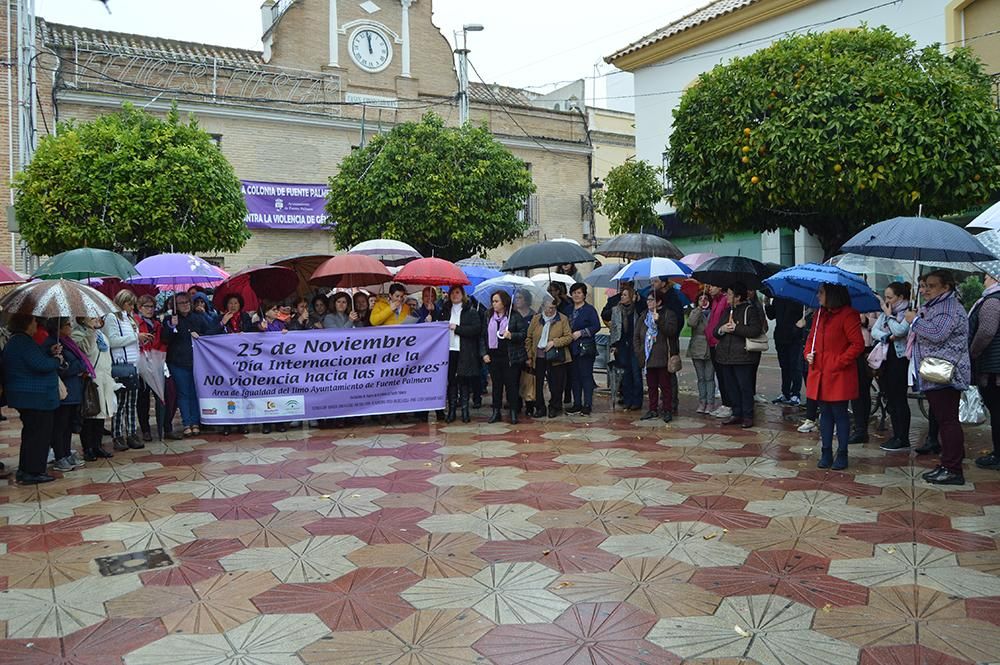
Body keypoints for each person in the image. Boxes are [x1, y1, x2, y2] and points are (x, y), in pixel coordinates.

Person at [907, 269, 970, 485]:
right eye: (924, 286)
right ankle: (948, 463)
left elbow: (937, 333)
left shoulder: (949, 307)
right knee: (944, 420)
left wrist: (915, 321)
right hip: (936, 373)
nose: (925, 290)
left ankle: (953, 469)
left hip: (946, 373)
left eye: (931, 286)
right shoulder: (938, 305)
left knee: (948, 421)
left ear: (946, 287)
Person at [804, 284, 865, 470]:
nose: (818, 296)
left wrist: (839, 361)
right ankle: (826, 451)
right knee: (824, 413)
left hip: (839, 373)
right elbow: (810, 340)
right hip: (820, 372)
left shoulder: (848, 314)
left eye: (821, 292)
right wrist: (808, 354)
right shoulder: (819, 314)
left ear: (832, 294)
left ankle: (842, 452)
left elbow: (857, 344)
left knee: (839, 413)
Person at [3, 315, 62, 484]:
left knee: (31, 434)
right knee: (38, 436)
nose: (37, 324)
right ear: (27, 323)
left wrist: (49, 352)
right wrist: (56, 360)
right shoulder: (22, 341)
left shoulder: (19, 341)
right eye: (34, 321)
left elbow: (34, 359)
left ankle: (26, 470)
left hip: (30, 397)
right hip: (34, 397)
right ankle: (33, 472)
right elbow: (41, 365)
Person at [160, 292, 214, 437]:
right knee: (183, 393)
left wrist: (200, 336)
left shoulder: (197, 317)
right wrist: (172, 326)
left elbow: (211, 331)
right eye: (182, 303)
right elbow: (165, 339)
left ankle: (196, 422)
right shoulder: (169, 319)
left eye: (187, 302)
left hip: (196, 361)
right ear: (175, 306)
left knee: (195, 392)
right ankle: (187, 423)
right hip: (177, 361)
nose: (185, 305)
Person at [714, 282, 763, 428]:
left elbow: (755, 330)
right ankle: (736, 412)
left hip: (744, 356)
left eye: (729, 294)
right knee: (731, 387)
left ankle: (747, 415)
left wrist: (736, 328)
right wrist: (722, 329)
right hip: (726, 356)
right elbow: (715, 331)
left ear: (738, 296)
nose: (727, 297)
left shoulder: (750, 310)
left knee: (744, 387)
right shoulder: (727, 311)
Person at [871, 282, 913, 452]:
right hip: (885, 358)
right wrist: (887, 337)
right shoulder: (887, 312)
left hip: (900, 359)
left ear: (900, 297)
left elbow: (901, 331)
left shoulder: (908, 312)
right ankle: (896, 435)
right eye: (885, 297)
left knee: (899, 398)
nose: (887, 301)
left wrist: (889, 318)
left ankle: (903, 437)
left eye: (890, 297)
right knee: (889, 395)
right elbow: (875, 330)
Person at [43, 318, 88, 473]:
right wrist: (78, 367)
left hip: (74, 389)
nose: (70, 327)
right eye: (67, 325)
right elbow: (62, 368)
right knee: (60, 425)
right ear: (58, 328)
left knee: (68, 425)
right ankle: (59, 456)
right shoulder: (53, 344)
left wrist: (80, 365)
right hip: (64, 391)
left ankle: (67, 453)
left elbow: (82, 360)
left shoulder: (68, 342)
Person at [72, 317, 118, 459]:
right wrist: (90, 332)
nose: (95, 319)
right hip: (91, 380)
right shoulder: (78, 334)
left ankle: (97, 446)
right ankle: (88, 448)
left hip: (104, 377)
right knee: (90, 414)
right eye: (91, 317)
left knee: (101, 414)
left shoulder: (101, 335)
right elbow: (88, 351)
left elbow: (107, 356)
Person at [969, 270, 1000, 471]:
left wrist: (972, 352)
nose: (984, 280)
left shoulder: (992, 301)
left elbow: (987, 331)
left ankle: (998, 455)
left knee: (997, 411)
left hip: (993, 368)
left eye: (987, 276)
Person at [437, 285, 482, 423]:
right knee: (451, 381)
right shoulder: (445, 310)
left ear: (463, 295)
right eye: (452, 293)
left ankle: (464, 410)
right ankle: (451, 411)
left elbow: (476, 329)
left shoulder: (471, 311)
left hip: (464, 350)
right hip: (449, 350)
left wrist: (457, 329)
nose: (455, 295)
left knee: (464, 380)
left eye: (457, 293)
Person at [105, 290, 143, 450]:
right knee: (120, 403)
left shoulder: (129, 319)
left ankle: (132, 432)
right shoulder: (112, 317)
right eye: (129, 303)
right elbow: (112, 341)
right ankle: (118, 434)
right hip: (121, 364)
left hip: (133, 364)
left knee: (131, 403)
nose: (131, 307)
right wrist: (135, 338)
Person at [636, 291, 679, 422]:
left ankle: (667, 409)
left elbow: (671, 332)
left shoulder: (668, 314)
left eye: (651, 300)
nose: (648, 302)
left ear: (659, 302)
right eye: (648, 300)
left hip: (662, 356)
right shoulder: (644, 315)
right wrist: (639, 351)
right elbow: (637, 335)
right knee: (651, 385)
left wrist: (659, 320)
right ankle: (652, 408)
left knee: (665, 386)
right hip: (648, 356)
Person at [526, 298, 573, 418]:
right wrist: (530, 355)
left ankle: (555, 406)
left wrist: (554, 342)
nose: (549, 310)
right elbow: (529, 338)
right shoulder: (536, 319)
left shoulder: (562, 319)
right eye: (547, 307)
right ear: (542, 307)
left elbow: (568, 337)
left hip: (556, 356)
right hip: (539, 356)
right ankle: (540, 407)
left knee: (556, 384)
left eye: (552, 308)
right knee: (538, 383)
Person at [483, 290, 523, 424]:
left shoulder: (514, 316)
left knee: (511, 385)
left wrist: (512, 335)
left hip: (509, 356)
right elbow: (483, 336)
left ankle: (513, 411)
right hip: (493, 356)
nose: (494, 304)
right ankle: (496, 411)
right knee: (496, 386)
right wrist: (484, 353)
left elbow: (523, 334)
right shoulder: (488, 316)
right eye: (493, 301)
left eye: (496, 301)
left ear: (504, 302)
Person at [566, 282, 601, 415]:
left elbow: (596, 326)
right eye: (574, 293)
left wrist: (581, 332)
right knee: (574, 376)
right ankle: (577, 403)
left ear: (584, 295)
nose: (576, 295)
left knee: (586, 376)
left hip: (585, 348)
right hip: (571, 347)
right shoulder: (568, 309)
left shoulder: (589, 310)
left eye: (579, 293)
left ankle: (587, 404)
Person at [766, 294, 804, 406]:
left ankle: (795, 393)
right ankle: (785, 392)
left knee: (795, 366)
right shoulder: (778, 298)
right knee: (784, 366)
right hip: (780, 336)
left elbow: (803, 315)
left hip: (794, 337)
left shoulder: (797, 297)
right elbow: (772, 316)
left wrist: (797, 328)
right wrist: (767, 304)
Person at [609, 285, 642, 411]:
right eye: (621, 295)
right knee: (625, 374)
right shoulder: (616, 310)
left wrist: (638, 300)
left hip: (634, 344)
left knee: (636, 373)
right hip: (622, 345)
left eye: (625, 295)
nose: (622, 297)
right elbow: (614, 329)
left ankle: (636, 400)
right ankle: (627, 400)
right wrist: (613, 345)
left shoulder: (637, 310)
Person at [705, 284, 732, 419]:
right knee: (720, 375)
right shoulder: (714, 301)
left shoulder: (725, 301)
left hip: (719, 343)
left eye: (713, 286)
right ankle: (725, 403)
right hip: (711, 342)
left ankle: (729, 404)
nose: (710, 289)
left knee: (724, 375)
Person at [688, 291, 716, 414]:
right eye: (700, 299)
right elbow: (691, 323)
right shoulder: (695, 312)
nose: (703, 301)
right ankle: (702, 401)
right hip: (697, 347)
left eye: (706, 299)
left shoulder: (714, 312)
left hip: (710, 346)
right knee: (701, 377)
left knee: (709, 377)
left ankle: (710, 402)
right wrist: (699, 309)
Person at [796, 308, 820, 433]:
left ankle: (813, 416)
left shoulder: (823, 315)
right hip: (806, 354)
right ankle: (811, 417)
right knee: (809, 387)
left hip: (818, 356)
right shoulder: (808, 314)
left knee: (816, 388)